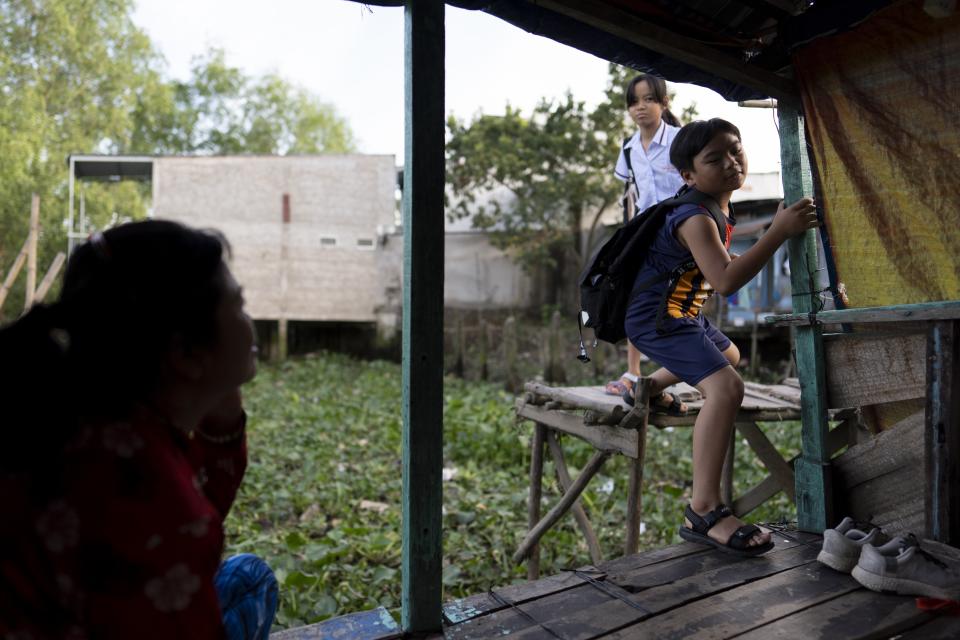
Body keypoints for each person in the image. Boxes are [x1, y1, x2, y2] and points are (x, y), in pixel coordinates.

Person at [0, 220, 278, 639]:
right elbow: (174, 521)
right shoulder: (139, 488)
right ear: (185, 353)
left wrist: (222, 417)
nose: (249, 319)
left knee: (247, 575)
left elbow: (192, 507)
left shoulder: (98, 421)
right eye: (238, 305)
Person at [624, 118, 817, 556]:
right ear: (688, 175)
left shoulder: (716, 209)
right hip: (658, 319)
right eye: (715, 158)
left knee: (729, 355)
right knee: (726, 389)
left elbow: (721, 262)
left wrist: (767, 232)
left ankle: (649, 388)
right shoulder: (693, 216)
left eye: (736, 150)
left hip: (681, 315)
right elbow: (726, 280)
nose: (732, 162)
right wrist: (778, 231)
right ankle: (703, 509)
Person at [605, 73, 688, 416]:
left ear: (663, 103)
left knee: (683, 299)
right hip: (644, 234)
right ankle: (633, 372)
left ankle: (686, 367)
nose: (641, 107)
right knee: (634, 298)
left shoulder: (681, 140)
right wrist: (627, 235)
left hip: (682, 232)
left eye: (648, 100)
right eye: (634, 101)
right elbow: (630, 195)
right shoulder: (627, 149)